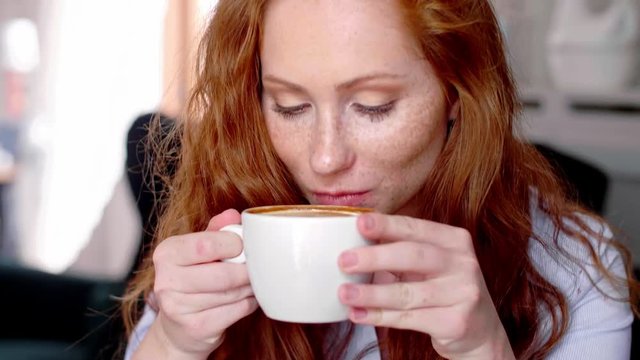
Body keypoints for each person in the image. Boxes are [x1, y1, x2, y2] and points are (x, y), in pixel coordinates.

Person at [121, 0, 639, 359]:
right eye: (290, 106)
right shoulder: (224, 222)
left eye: (374, 107)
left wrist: (483, 350)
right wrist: (171, 344)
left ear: (456, 95)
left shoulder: (572, 267)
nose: (324, 159)